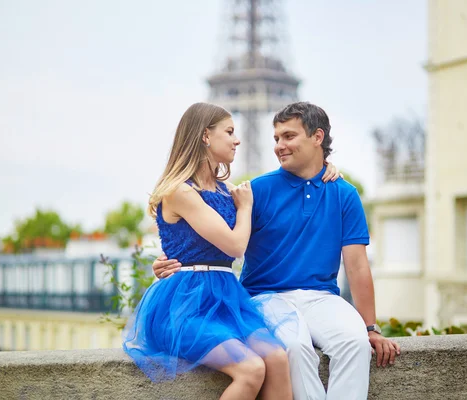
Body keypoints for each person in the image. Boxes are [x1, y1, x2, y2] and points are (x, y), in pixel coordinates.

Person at [153, 102, 401, 400]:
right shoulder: (255, 191)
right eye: (276, 139)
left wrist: (370, 327)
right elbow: (203, 233)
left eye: (288, 137)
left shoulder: (342, 192)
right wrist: (169, 261)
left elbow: (358, 266)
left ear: (317, 137)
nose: (279, 146)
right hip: (264, 297)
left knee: (357, 343)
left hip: (321, 297)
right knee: (292, 349)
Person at [122, 102, 340, 400]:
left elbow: (281, 188)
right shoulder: (181, 191)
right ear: (205, 137)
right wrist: (246, 207)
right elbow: (236, 245)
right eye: (229, 132)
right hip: (187, 303)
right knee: (251, 369)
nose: (237, 139)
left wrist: (324, 166)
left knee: (277, 358)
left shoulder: (226, 190)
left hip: (226, 297)